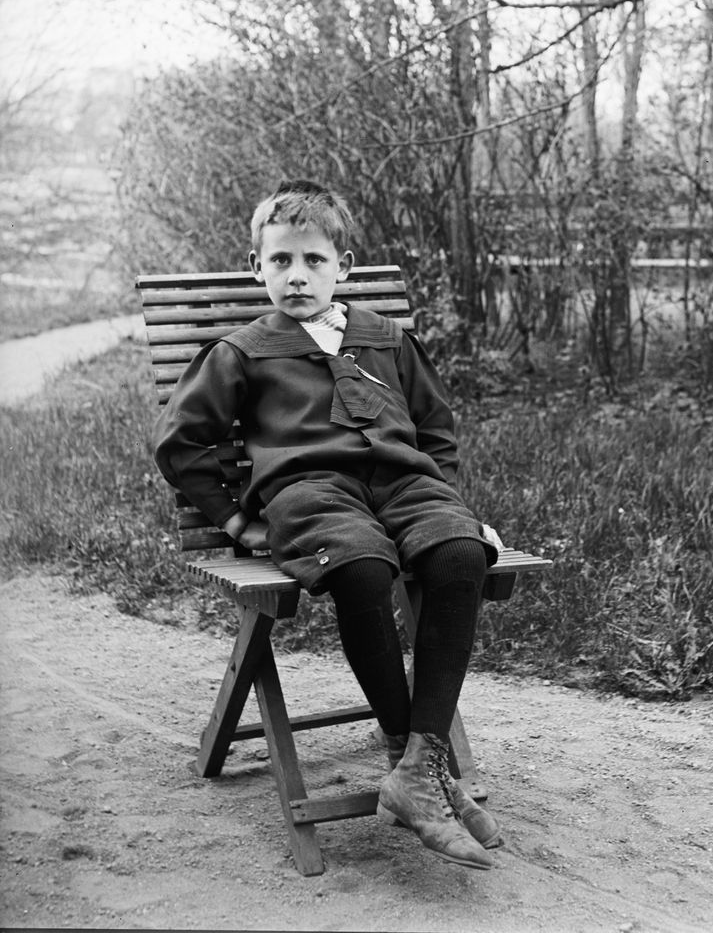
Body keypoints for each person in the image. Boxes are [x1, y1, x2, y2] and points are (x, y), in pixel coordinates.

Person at [153, 179, 501, 870]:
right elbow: (180, 443)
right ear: (257, 267)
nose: (297, 276)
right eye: (280, 261)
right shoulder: (243, 352)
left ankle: (416, 769)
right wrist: (235, 520)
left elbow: (435, 431)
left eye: (313, 260)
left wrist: (448, 506)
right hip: (311, 493)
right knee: (363, 569)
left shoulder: (385, 339)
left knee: (460, 554)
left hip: (403, 484)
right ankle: (421, 770)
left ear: (342, 265)